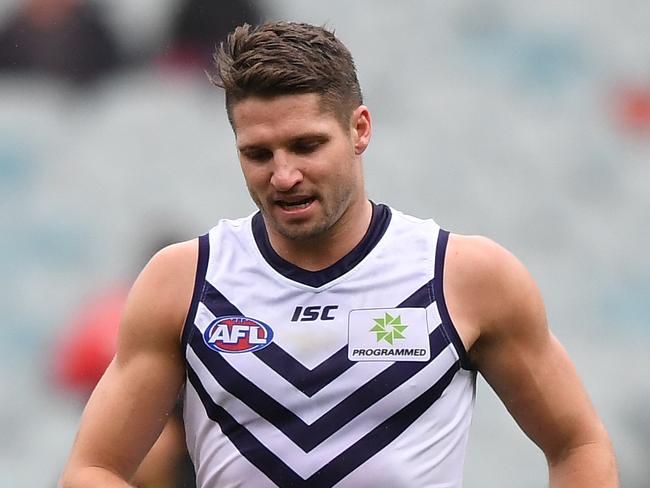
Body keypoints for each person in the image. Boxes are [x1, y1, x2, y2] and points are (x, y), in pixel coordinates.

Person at [58, 21, 619, 487]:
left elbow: (577, 444)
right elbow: (94, 468)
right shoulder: (184, 281)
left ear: (360, 129)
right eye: (257, 153)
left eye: (306, 145)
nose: (284, 175)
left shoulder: (465, 277)